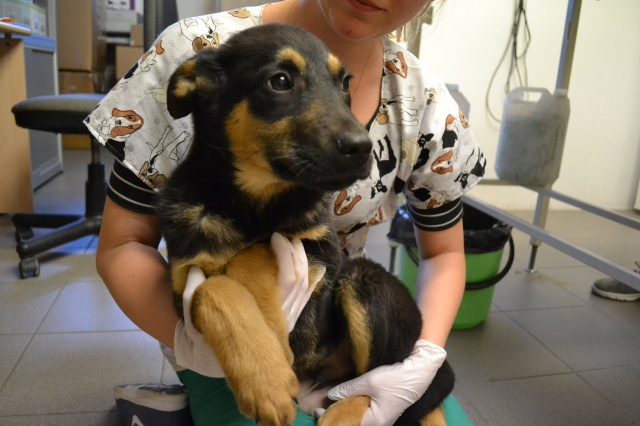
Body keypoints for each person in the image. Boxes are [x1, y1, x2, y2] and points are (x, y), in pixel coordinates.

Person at [87, 1, 486, 424]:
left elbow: (444, 254)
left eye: (341, 88)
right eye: (280, 82)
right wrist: (196, 343)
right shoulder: (192, 48)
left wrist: (420, 364)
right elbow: (123, 245)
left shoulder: (425, 103)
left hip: (344, 327)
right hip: (212, 345)